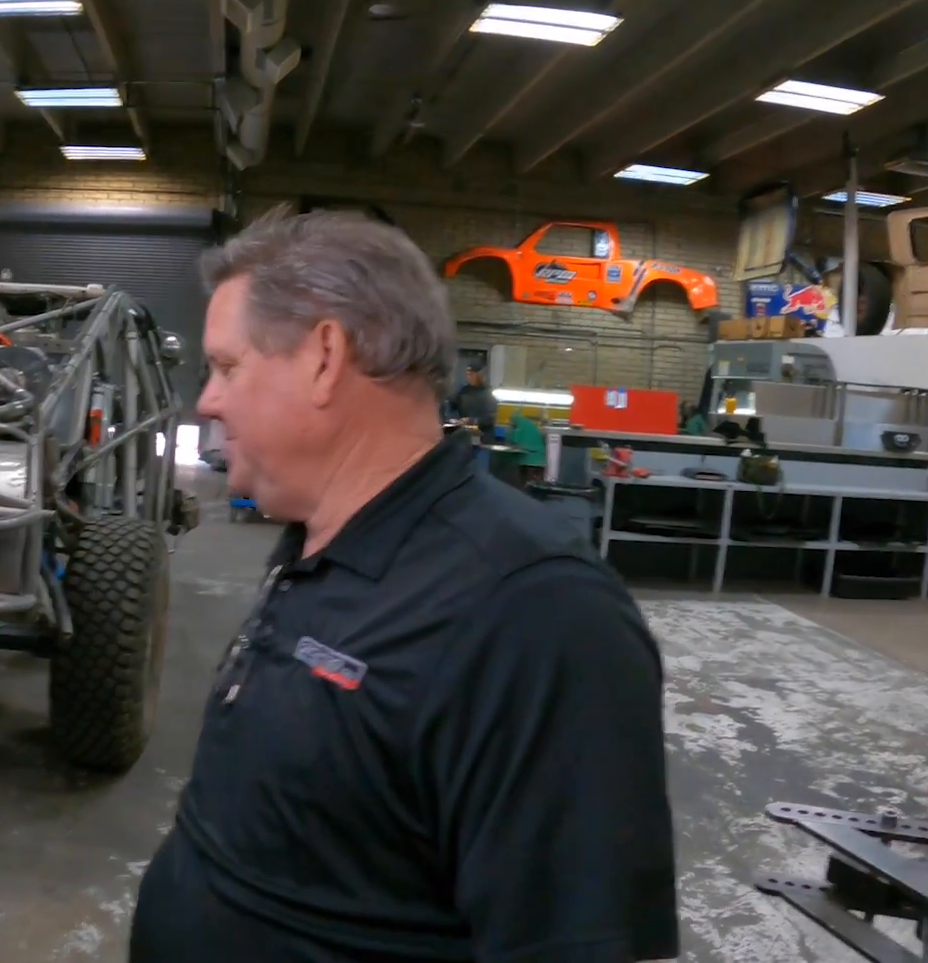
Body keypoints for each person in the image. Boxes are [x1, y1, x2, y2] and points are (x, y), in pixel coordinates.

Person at [130, 208, 677, 963]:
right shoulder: (322, 541)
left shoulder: (537, 613)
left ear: (324, 356)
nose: (208, 402)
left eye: (226, 367)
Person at [449, 363, 498, 431]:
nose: (469, 377)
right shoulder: (464, 391)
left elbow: (490, 419)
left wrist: (471, 420)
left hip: (483, 435)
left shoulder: (488, 393)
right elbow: (451, 404)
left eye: (471, 374)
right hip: (465, 433)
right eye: (467, 374)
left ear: (479, 375)